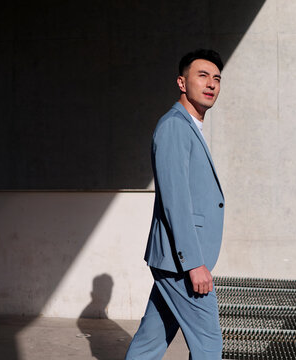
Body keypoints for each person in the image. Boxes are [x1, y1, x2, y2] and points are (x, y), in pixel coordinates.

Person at [125, 49, 225, 360]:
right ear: (182, 83)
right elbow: (175, 201)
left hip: (174, 261)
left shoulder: (190, 126)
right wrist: (194, 263)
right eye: (202, 75)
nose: (211, 84)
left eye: (217, 78)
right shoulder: (174, 127)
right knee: (209, 346)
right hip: (181, 263)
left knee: (150, 342)